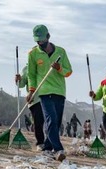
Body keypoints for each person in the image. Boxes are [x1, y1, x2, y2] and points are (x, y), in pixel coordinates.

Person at [27, 24, 72, 160]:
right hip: (44, 91)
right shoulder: (33, 53)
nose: (40, 43)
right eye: (37, 41)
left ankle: (47, 147)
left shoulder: (61, 52)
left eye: (42, 40)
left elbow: (68, 71)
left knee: (56, 123)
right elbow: (31, 74)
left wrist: (59, 68)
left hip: (59, 91)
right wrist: (31, 91)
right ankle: (58, 150)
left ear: (48, 36)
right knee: (50, 119)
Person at [16, 65, 45, 148]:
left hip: (47, 97)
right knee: (38, 122)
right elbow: (21, 84)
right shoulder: (26, 68)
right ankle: (40, 142)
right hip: (34, 99)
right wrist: (18, 80)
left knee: (50, 122)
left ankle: (50, 143)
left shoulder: (45, 64)